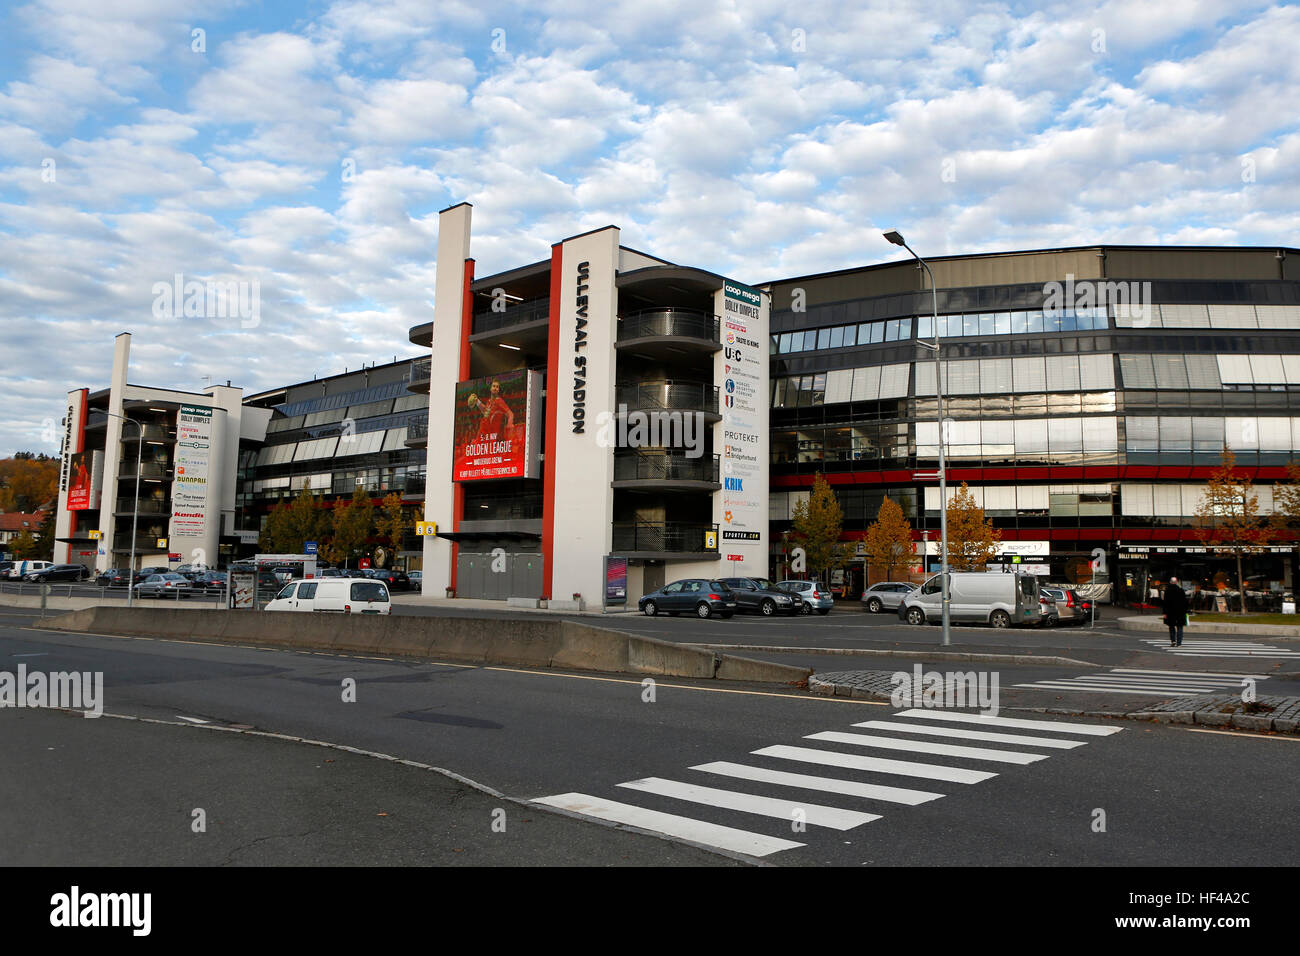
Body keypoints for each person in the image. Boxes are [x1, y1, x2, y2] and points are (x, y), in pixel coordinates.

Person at [1162, 576, 1189, 647]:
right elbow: (1185, 602)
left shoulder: (1167, 591)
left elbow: (1165, 603)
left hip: (1170, 612)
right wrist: (1186, 611)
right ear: (1176, 582)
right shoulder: (1181, 590)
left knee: (1171, 626)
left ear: (1170, 582)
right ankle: (1179, 643)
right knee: (1180, 627)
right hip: (1180, 612)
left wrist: (1164, 612)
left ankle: (1173, 641)